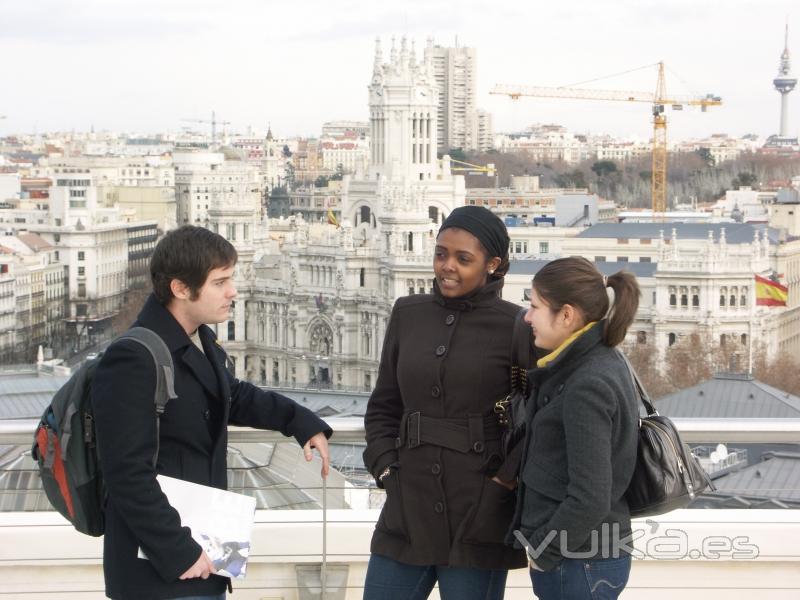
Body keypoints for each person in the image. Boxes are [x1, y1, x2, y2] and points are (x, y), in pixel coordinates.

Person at [91, 225, 332, 600]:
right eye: (220, 282)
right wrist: (179, 552)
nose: (232, 292)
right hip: (160, 567)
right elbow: (125, 473)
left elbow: (229, 396)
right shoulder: (133, 357)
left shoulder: (199, 336)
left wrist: (299, 421)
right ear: (180, 289)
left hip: (202, 552)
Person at [362, 205, 531, 600]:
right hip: (407, 502)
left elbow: (536, 420)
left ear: (493, 264)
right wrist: (386, 466)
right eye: (441, 253)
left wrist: (503, 483)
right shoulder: (408, 313)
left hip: (480, 511)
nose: (446, 266)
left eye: (462, 258)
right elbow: (385, 402)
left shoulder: (517, 326)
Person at [508, 257, 641, 600]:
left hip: (579, 561)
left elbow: (591, 496)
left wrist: (543, 551)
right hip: (585, 556)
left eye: (535, 306)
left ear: (566, 315)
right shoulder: (597, 361)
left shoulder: (587, 383)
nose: (527, 317)